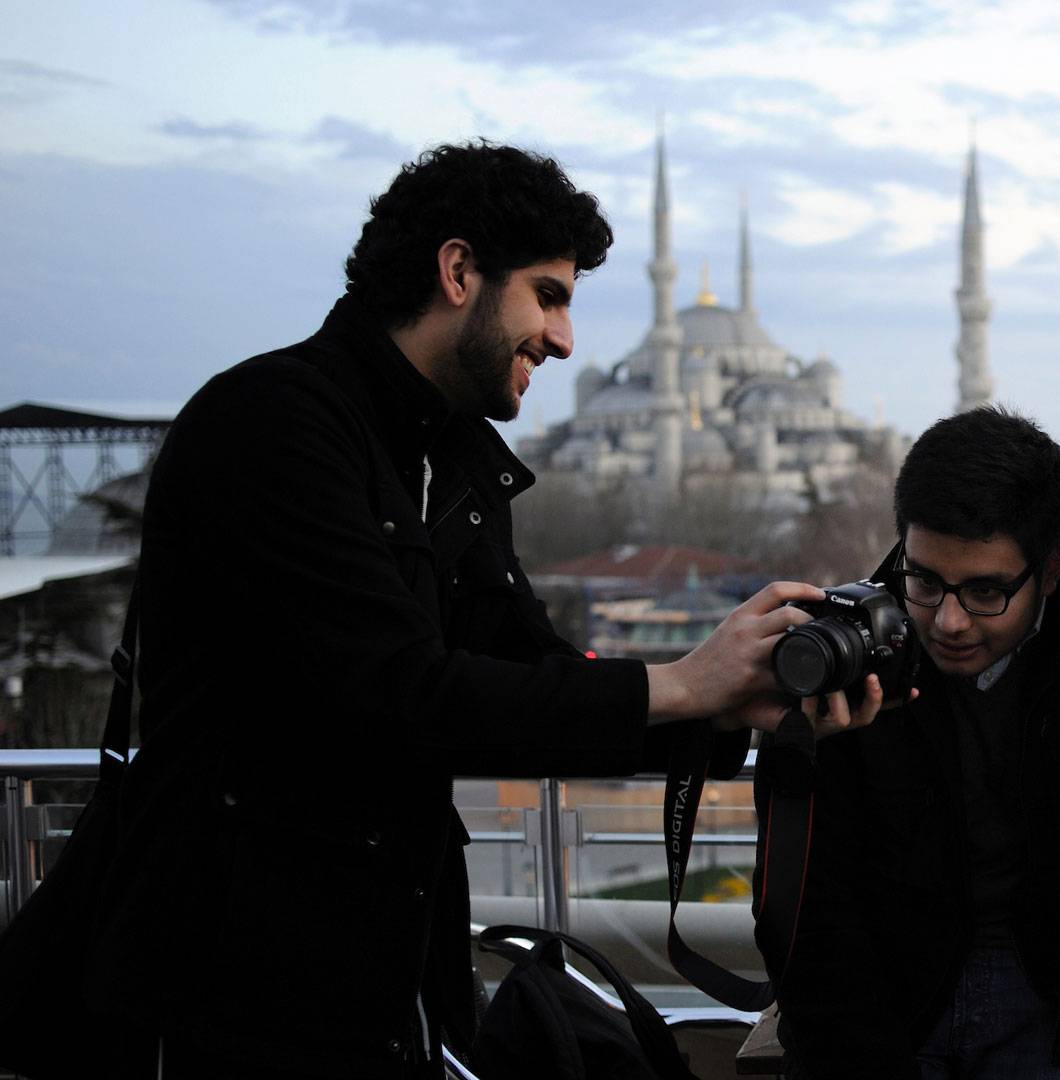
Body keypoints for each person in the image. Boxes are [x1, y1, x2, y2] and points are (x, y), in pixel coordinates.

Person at [6, 143, 885, 1079]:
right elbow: (400, 694)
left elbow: (522, 681)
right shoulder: (271, 427)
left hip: (387, 984)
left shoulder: (451, 458)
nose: (564, 340)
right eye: (548, 295)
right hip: (229, 987)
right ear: (458, 271)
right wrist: (675, 681)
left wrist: (725, 705)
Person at [754, 406, 1060, 1080]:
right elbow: (805, 898)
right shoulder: (851, 648)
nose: (947, 621)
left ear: (1054, 567)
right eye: (923, 581)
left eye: (985, 591)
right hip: (887, 1002)